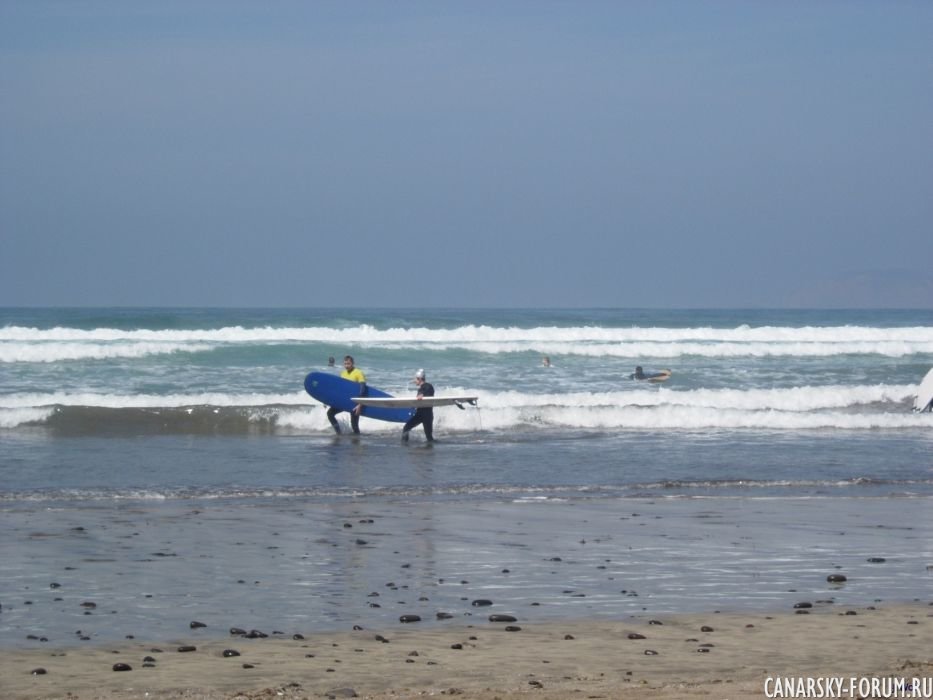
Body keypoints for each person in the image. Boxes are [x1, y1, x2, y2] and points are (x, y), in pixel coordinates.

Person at [327, 355, 366, 434]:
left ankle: (357, 442)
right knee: (330, 413)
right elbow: (341, 390)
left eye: (348, 364)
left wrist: (360, 405)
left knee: (354, 426)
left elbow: (363, 389)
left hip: (354, 403)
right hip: (344, 401)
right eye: (345, 364)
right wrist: (329, 400)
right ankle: (338, 432)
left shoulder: (358, 373)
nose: (346, 366)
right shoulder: (343, 373)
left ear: (352, 363)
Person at [402, 368, 434, 443]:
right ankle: (404, 444)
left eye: (415, 379)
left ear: (419, 379)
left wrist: (422, 395)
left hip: (427, 415)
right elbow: (420, 396)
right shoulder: (421, 388)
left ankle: (431, 451)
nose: (414, 381)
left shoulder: (428, 386)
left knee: (429, 437)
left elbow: (427, 392)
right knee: (406, 428)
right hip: (419, 414)